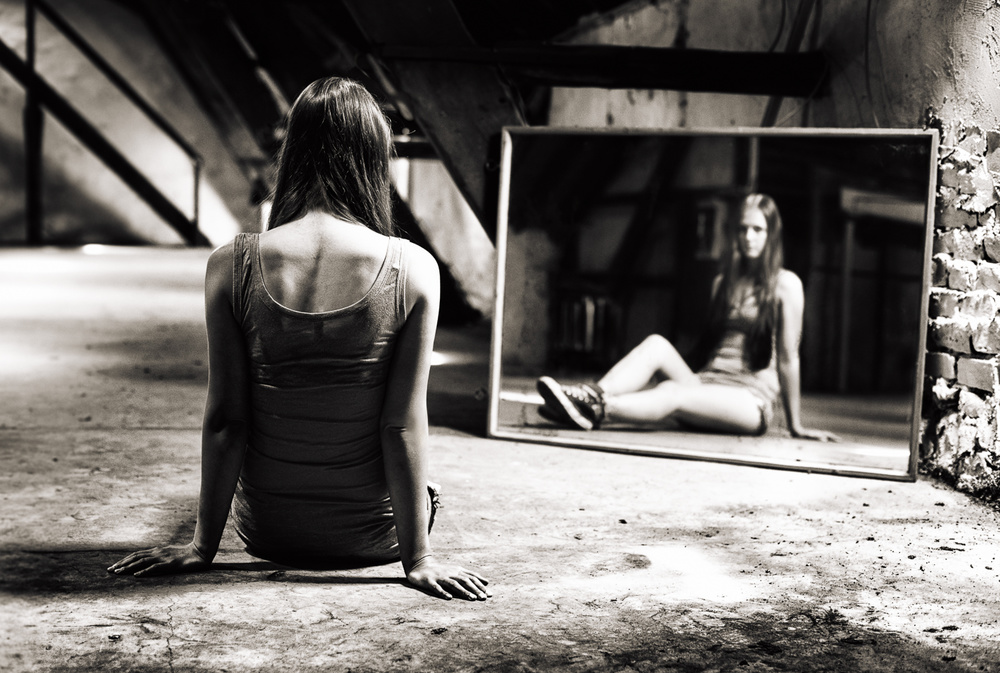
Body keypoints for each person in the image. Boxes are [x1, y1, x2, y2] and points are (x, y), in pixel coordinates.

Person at [108, 77, 490, 601]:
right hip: (372, 541)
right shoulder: (414, 268)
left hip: (268, 534)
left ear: (291, 153)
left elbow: (227, 421)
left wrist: (201, 547)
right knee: (428, 484)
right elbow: (399, 425)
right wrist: (419, 560)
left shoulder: (230, 264)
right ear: (374, 158)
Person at [537, 193, 838, 442]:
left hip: (749, 399)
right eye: (742, 229)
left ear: (772, 235)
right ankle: (591, 394)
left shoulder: (786, 285)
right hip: (706, 384)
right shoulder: (723, 283)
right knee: (656, 344)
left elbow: (788, 358)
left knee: (672, 393)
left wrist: (796, 425)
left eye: (757, 230)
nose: (748, 237)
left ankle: (594, 409)